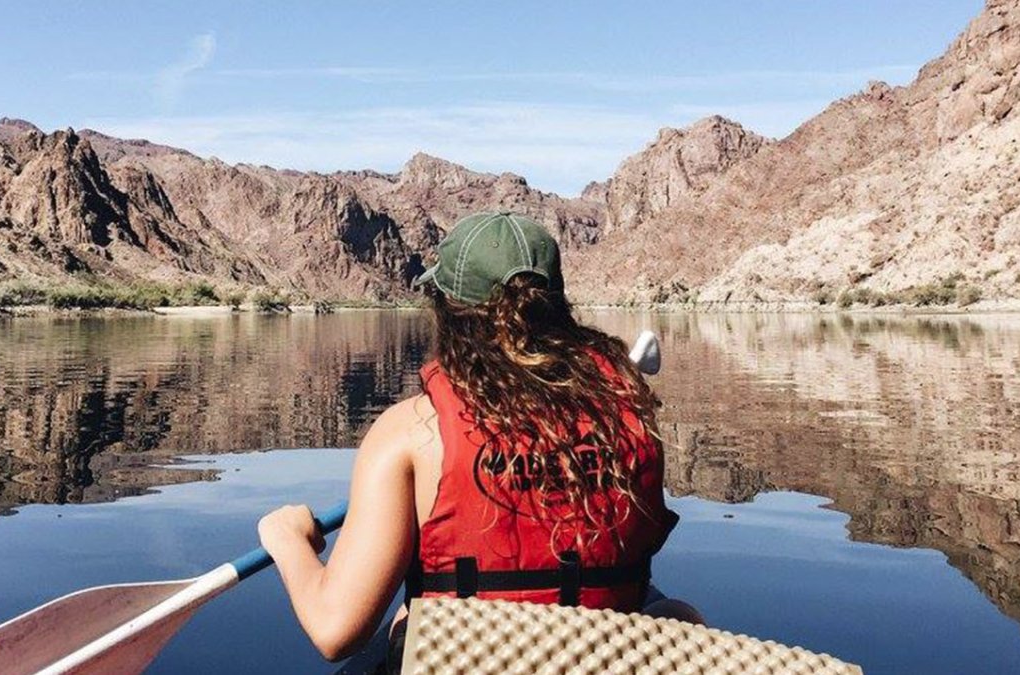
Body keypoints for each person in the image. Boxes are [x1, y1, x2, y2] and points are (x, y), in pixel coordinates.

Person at [257, 212, 700, 664]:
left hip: (468, 660)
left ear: (445, 309)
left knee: (407, 618)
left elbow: (335, 631)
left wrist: (287, 538)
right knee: (676, 613)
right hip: (592, 658)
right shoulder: (629, 416)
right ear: (559, 307)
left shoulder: (411, 432)